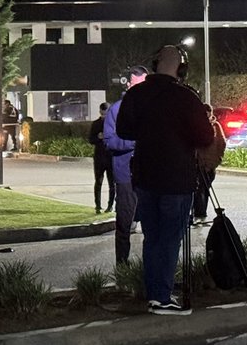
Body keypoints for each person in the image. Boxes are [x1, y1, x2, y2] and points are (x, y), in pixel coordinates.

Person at [115, 45, 213, 316]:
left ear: (155, 64)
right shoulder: (186, 97)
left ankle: (154, 295)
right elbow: (205, 137)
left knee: (152, 238)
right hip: (177, 179)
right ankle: (161, 297)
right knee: (170, 239)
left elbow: (123, 130)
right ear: (182, 68)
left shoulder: (135, 94)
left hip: (145, 177)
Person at [105, 65, 149, 265]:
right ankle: (122, 265)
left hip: (150, 175)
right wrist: (135, 141)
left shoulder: (153, 108)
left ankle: (149, 267)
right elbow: (109, 141)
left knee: (151, 225)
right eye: (137, 85)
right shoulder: (117, 109)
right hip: (126, 177)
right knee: (124, 223)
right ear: (128, 85)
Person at [192, 103, 227, 225]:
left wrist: (217, 159)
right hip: (197, 164)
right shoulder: (196, 126)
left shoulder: (215, 126)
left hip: (210, 165)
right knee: (198, 189)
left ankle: (200, 213)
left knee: (204, 190)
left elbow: (221, 143)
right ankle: (197, 213)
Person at [88, 102, 113, 213]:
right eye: (102, 114)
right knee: (98, 182)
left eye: (105, 114)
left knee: (112, 183)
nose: (104, 116)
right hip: (99, 157)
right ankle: (98, 206)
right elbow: (90, 139)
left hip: (110, 157)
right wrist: (98, 137)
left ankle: (110, 205)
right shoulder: (96, 124)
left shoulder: (114, 124)